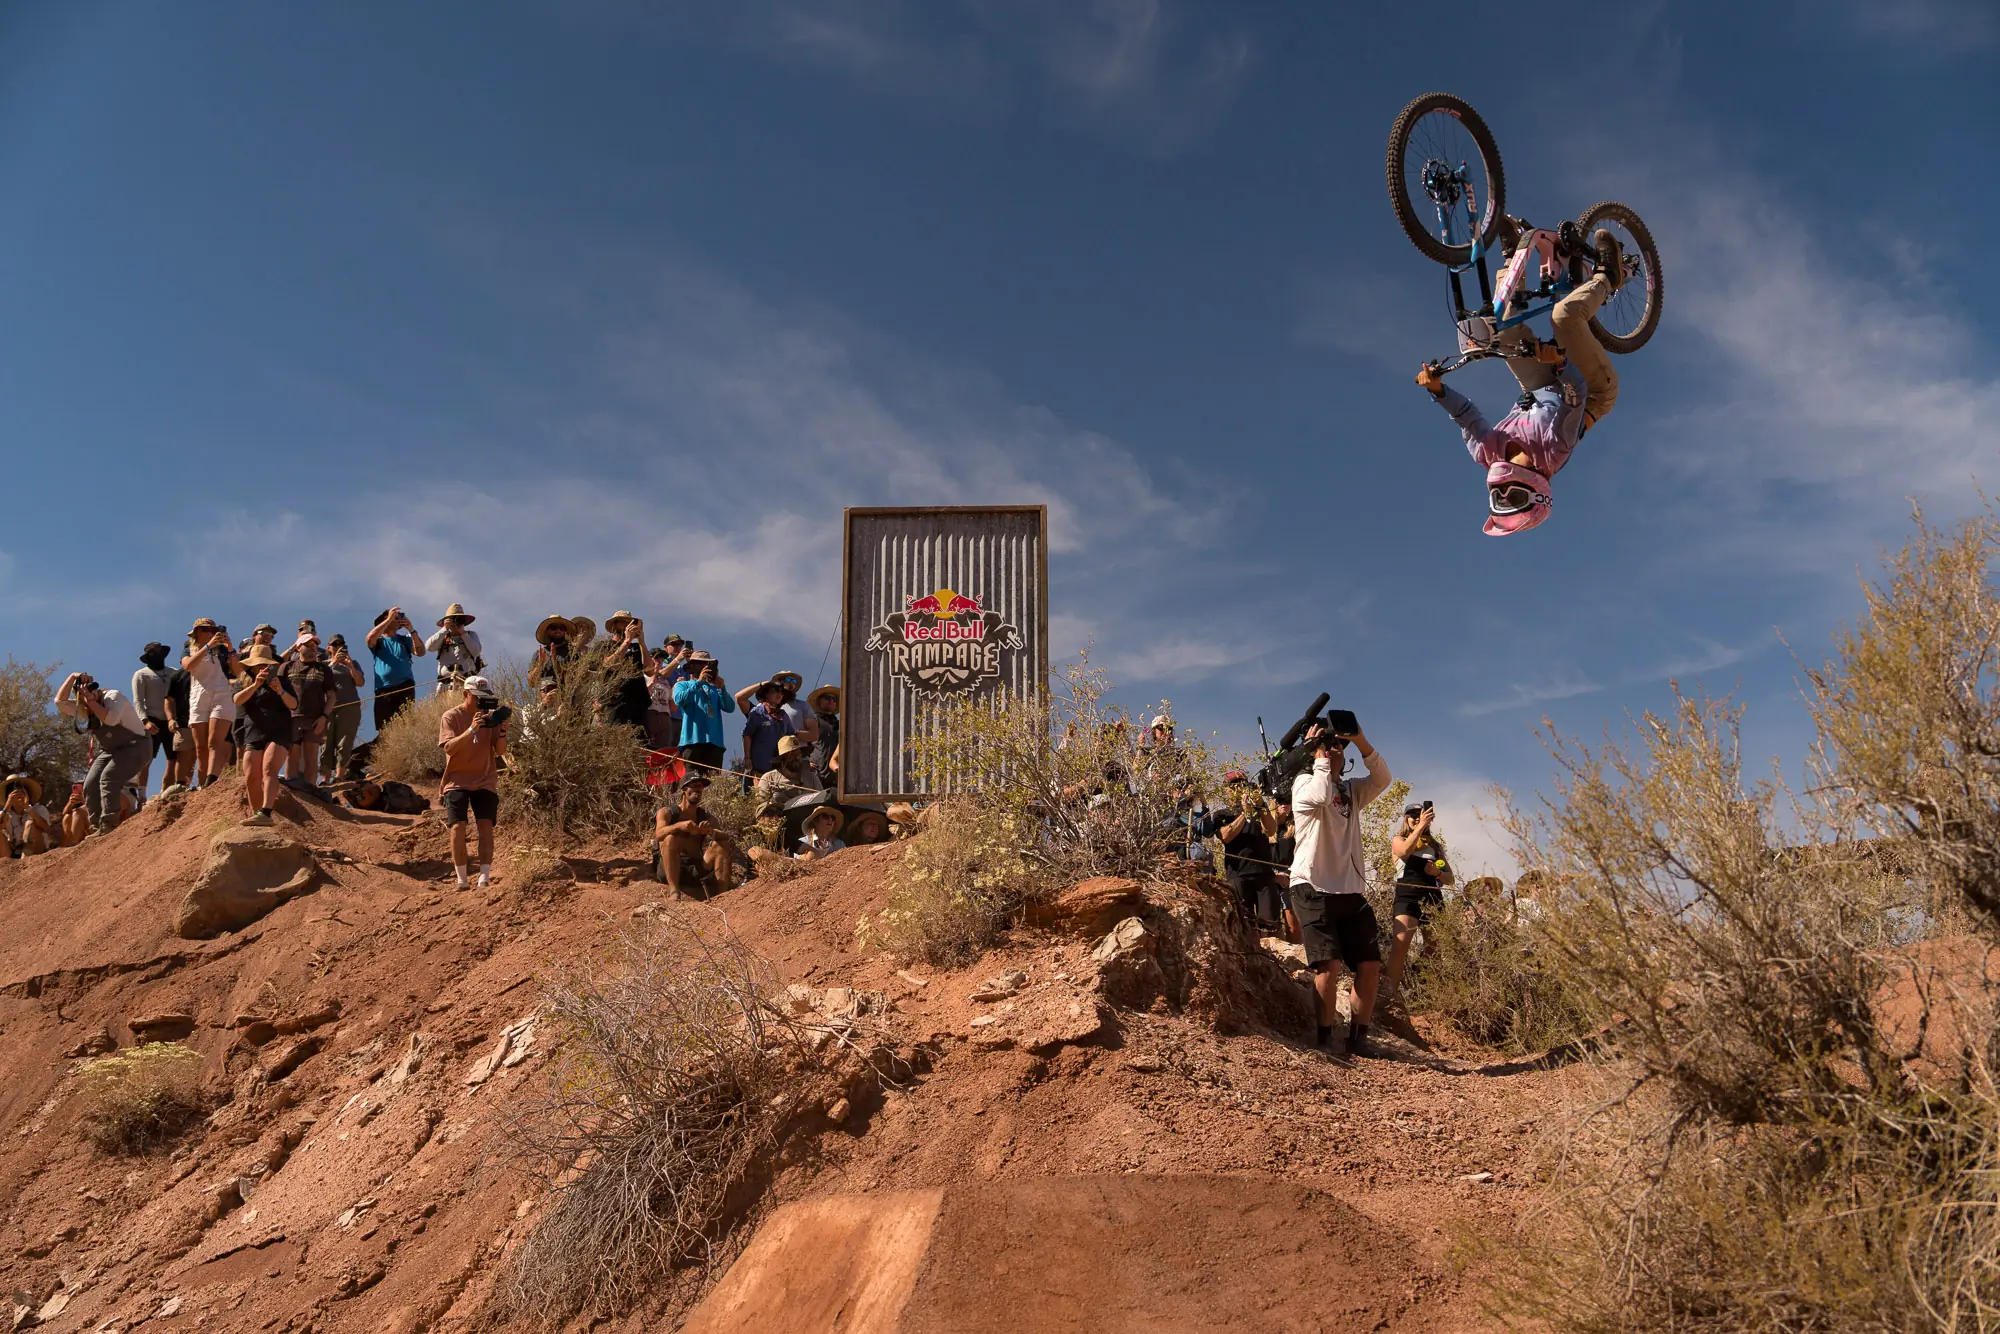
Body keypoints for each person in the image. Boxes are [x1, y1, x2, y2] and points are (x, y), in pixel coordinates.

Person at [1415, 229, 1626, 537]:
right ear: (1536, 492)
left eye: (1497, 499)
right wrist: (1559, 363)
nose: (1502, 492)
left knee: (1500, 332)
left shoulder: (1488, 453)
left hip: (1540, 389)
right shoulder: (1552, 452)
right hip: (1590, 391)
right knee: (1564, 317)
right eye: (1512, 498)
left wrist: (1438, 390)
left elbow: (1466, 416)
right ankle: (1609, 276)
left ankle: (1514, 257)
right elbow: (1576, 395)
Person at [1288, 718, 1395, 1058]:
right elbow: (1321, 795)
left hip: (1349, 890)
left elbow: (1383, 779)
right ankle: (1324, 1040)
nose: (1336, 749)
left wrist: (1360, 741)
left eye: (1339, 745)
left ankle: (1358, 1038)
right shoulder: (1302, 784)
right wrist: (1318, 753)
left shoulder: (1350, 791)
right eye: (1330, 744)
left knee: (1369, 964)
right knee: (1329, 965)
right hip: (1311, 886)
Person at [54, 672, 153, 835]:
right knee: (90, 784)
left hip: (136, 746)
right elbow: (60, 702)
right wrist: (72, 677)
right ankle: (97, 827)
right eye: (83, 692)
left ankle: (109, 823)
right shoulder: (84, 708)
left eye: (91, 689)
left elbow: (111, 719)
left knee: (109, 778)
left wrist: (91, 702)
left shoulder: (112, 696)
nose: (89, 693)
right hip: (111, 751)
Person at [438, 675, 509, 889]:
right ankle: (461, 880)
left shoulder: (491, 718)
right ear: (465, 694)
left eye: (484, 697)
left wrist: (502, 731)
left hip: (485, 779)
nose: (481, 702)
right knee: (457, 827)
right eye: (477, 697)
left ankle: (484, 878)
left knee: (485, 826)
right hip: (456, 780)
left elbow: (500, 751)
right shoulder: (451, 716)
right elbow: (449, 748)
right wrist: (471, 730)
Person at [1384, 801, 1455, 1005]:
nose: (1417, 818)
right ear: (1406, 819)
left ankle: (1426, 993)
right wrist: (1421, 826)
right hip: (1407, 895)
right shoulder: (1399, 839)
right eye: (1413, 815)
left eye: (1421, 815)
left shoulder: (1435, 847)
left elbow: (1450, 879)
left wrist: (1437, 872)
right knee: (1400, 945)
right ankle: (1390, 996)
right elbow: (1403, 851)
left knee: (1435, 946)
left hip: (1433, 897)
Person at [231, 645, 296, 826]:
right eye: (259, 665)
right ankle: (257, 815)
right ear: (251, 666)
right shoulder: (243, 681)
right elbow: (237, 700)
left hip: (279, 730)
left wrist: (280, 691)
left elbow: (293, 704)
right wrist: (255, 685)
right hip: (254, 731)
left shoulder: (281, 681)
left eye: (265, 664)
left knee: (269, 768)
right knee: (251, 775)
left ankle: (266, 811)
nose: (263, 668)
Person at [1214, 775, 1283, 930]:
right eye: (1233, 785)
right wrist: (1245, 813)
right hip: (1238, 874)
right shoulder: (1222, 814)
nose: (1238, 788)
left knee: (1271, 924)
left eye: (1242, 784)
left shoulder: (1259, 810)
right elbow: (1225, 836)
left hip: (1264, 874)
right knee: (1244, 925)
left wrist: (1261, 804)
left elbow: (1271, 830)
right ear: (1226, 790)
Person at [653, 774, 737, 898]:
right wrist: (679, 826)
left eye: (700, 786)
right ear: (684, 789)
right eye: (694, 785)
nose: (698, 789)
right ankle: (674, 891)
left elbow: (726, 836)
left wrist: (710, 831)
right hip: (668, 869)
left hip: (694, 870)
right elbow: (659, 834)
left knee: (721, 844)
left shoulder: (705, 816)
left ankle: (723, 895)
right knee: (670, 839)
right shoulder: (667, 812)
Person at [182, 618, 240, 788]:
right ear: (198, 632)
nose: (211, 633)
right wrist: (208, 646)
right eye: (207, 630)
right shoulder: (188, 648)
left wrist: (230, 648)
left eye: (213, 630)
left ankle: (211, 780)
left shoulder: (223, 650)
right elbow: (188, 665)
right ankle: (203, 786)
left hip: (222, 695)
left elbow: (238, 672)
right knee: (201, 747)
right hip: (199, 696)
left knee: (215, 742)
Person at [280, 636, 338, 788]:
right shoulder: (287, 667)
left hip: (315, 718)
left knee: (311, 756)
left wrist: (324, 717)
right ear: (298, 647)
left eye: (315, 644)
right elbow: (277, 689)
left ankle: (311, 790)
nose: (313, 647)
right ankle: (291, 789)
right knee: (292, 754)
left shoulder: (323, 669)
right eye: (308, 644)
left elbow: (331, 696)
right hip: (291, 717)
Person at [672, 654, 735, 777]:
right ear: (692, 666)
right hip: (692, 741)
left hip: (715, 743)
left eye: (707, 664)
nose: (705, 667)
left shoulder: (714, 689)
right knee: (692, 780)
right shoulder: (683, 685)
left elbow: (730, 707)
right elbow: (679, 700)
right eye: (701, 664)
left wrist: (722, 688)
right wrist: (698, 683)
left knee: (713, 782)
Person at [366, 607, 426, 730]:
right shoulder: (379, 641)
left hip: (405, 687)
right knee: (384, 729)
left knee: (405, 726)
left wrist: (411, 629)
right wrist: (389, 619)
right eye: (394, 616)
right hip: (383, 690)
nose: (396, 618)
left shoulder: (404, 640)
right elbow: (369, 639)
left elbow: (420, 652)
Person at [321, 635, 367, 781]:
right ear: (329, 648)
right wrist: (333, 663)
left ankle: (339, 776)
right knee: (326, 744)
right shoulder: (323, 664)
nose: (338, 647)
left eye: (341, 644)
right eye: (335, 645)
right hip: (327, 708)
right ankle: (325, 779)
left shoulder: (353, 663)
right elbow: (319, 680)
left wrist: (350, 666)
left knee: (344, 743)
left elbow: (360, 682)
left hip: (349, 706)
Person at [131, 643, 174, 796]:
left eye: (158, 651)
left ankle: (166, 793)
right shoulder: (141, 674)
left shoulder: (173, 673)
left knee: (173, 758)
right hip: (151, 720)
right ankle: (142, 795)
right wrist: (145, 721)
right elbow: (138, 700)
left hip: (171, 720)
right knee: (146, 760)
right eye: (153, 653)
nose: (157, 655)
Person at [736, 681, 794, 776]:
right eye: (775, 690)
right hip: (757, 767)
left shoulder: (784, 716)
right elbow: (747, 735)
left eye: (782, 692)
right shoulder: (757, 712)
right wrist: (747, 758)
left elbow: (790, 737)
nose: (779, 694)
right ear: (766, 694)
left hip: (778, 770)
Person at [426, 604, 485, 696]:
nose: (456, 622)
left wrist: (463, 634)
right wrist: (444, 629)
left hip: (466, 683)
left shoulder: (471, 635)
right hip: (445, 685)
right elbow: (429, 647)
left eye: (459, 620)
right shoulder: (442, 637)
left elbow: (476, 652)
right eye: (453, 619)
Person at [162, 654, 194, 790]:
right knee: (183, 756)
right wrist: (170, 719)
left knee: (203, 753)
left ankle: (203, 786)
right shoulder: (177, 676)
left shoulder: (210, 671)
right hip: (183, 721)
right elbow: (168, 699)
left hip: (206, 720)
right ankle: (181, 787)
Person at [3, 775, 53, 858]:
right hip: (12, 853)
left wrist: (27, 808)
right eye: (13, 790)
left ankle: (24, 861)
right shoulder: (5, 813)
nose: (18, 792)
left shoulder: (39, 809)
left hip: (36, 850)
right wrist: (7, 805)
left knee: (30, 824)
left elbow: (47, 828)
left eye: (21, 789)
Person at [642, 648, 682, 752]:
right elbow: (642, 697)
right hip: (650, 714)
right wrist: (652, 682)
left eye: (662, 659)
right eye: (656, 658)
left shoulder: (666, 681)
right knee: (647, 746)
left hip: (665, 717)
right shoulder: (643, 677)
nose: (659, 661)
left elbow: (673, 707)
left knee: (663, 749)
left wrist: (677, 688)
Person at [768, 671, 820, 746]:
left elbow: (814, 735)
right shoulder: (766, 706)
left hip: (796, 752)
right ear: (779, 682)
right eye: (787, 679)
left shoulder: (803, 705)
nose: (791, 683)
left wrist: (791, 733)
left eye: (794, 681)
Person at [806, 685, 841, 788]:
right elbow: (800, 742)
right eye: (827, 698)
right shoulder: (812, 721)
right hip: (816, 773)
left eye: (834, 699)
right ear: (819, 701)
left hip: (836, 775)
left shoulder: (841, 724)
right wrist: (805, 761)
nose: (831, 701)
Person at [531, 615, 575, 687]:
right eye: (554, 627)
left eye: (562, 628)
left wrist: (554, 661)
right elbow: (531, 682)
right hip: (543, 692)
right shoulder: (539, 653)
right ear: (547, 631)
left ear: (565, 632)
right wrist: (540, 664)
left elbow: (574, 678)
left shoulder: (572, 652)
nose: (558, 630)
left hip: (563, 691)